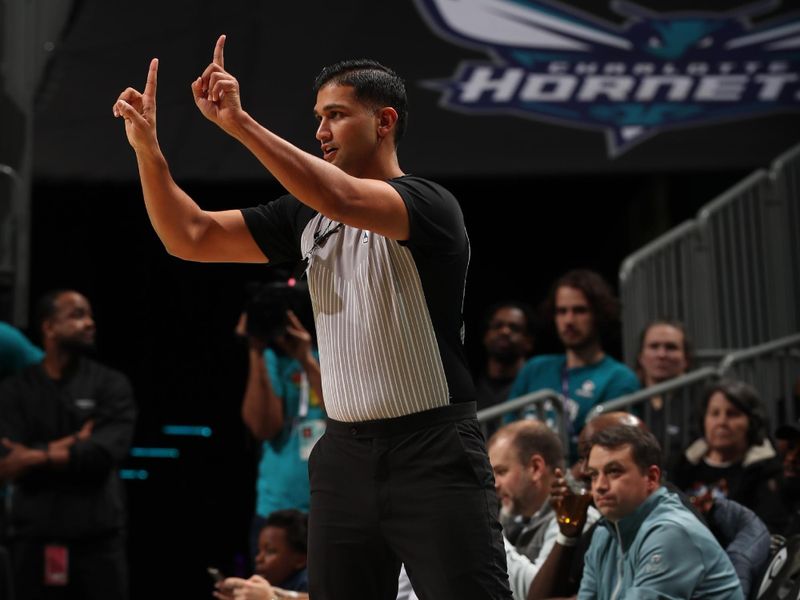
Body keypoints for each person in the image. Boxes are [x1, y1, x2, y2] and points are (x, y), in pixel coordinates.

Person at [114, 37, 510, 599]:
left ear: (384, 121)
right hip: (343, 457)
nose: (320, 131)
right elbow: (190, 236)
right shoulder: (305, 214)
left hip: (434, 450)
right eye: (317, 117)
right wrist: (147, 150)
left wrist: (241, 124)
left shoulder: (429, 204)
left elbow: (346, 199)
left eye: (336, 116)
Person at [0, 290, 137, 600]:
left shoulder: (111, 385)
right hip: (32, 539)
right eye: (77, 315)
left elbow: (104, 453)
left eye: (89, 315)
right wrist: (74, 442)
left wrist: (33, 456)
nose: (89, 323)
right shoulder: (15, 390)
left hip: (97, 542)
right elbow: (6, 464)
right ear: (49, 327)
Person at [579, 425, 743, 599]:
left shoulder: (671, 533)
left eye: (614, 472)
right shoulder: (603, 533)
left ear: (651, 477)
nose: (600, 486)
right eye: (594, 475)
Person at [236, 281, 324, 565]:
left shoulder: (336, 351)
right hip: (277, 511)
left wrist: (307, 360)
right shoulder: (269, 359)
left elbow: (344, 414)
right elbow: (263, 428)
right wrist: (255, 348)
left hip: (332, 508)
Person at [507, 270, 639, 452]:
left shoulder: (619, 377)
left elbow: (608, 450)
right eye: (561, 311)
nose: (568, 320)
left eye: (580, 310)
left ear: (599, 314)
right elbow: (506, 431)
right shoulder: (534, 368)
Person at [673, 378, 788, 533]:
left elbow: (768, 530)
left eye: (732, 414)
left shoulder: (766, 471)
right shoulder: (683, 464)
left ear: (752, 422)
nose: (721, 422)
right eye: (714, 413)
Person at [489, 420, 574, 565]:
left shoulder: (572, 515)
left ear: (535, 468)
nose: (495, 484)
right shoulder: (510, 511)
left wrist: (490, 537)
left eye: (501, 472)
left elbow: (535, 587)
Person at [216, 508, 310, 599]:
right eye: (259, 550)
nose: (258, 559)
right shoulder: (278, 582)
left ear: (300, 560)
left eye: (270, 551)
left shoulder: (308, 584)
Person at [475, 301, 535, 413]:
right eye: (497, 326)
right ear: (485, 336)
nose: (505, 331)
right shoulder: (468, 389)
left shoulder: (536, 386)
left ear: (529, 341)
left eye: (514, 328)